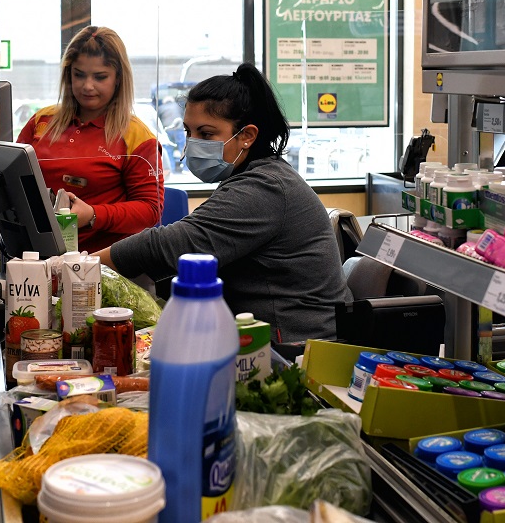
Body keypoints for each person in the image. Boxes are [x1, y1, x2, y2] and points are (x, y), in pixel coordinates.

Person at [94, 63, 351, 343]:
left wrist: (79, 266)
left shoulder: (265, 188)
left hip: (295, 346)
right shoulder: (256, 177)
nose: (191, 144)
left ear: (247, 136)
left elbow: (170, 245)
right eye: (188, 132)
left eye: (205, 134)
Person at [16, 25, 164, 252]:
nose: (87, 86)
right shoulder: (41, 121)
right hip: (36, 254)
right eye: (79, 75)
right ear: (68, 75)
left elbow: (150, 211)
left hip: (104, 263)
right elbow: (12, 180)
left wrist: (93, 214)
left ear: (118, 79)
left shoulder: (138, 138)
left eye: (100, 77)